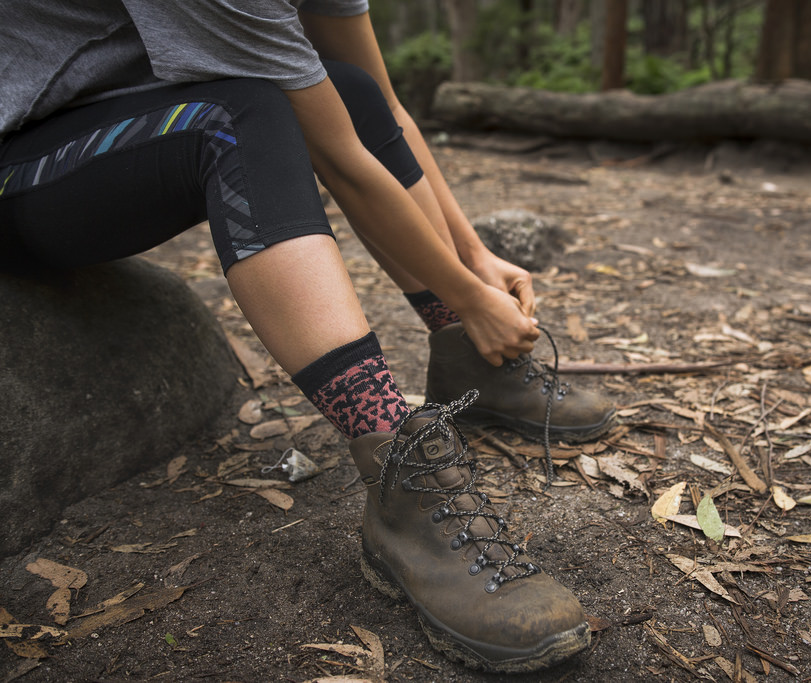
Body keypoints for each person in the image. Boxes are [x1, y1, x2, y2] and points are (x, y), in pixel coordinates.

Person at [0, 0, 615, 673]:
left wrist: (474, 256)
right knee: (243, 116)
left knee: (344, 88)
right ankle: (396, 464)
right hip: (21, 160)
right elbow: (342, 159)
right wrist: (471, 297)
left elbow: (381, 105)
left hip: (111, 119)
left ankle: (470, 356)